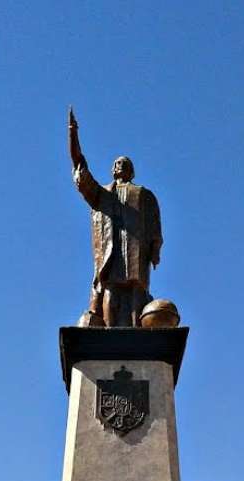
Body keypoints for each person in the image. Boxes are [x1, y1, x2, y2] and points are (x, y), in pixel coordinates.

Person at [69, 108, 163, 327]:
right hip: (110, 250)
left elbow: (154, 223)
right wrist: (73, 135)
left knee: (135, 288)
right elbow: (80, 168)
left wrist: (155, 247)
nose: (122, 165)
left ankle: (135, 329)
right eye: (119, 163)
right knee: (110, 287)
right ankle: (110, 329)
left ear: (132, 171)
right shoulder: (102, 194)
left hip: (135, 250)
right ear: (113, 170)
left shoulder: (143, 195)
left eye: (126, 164)